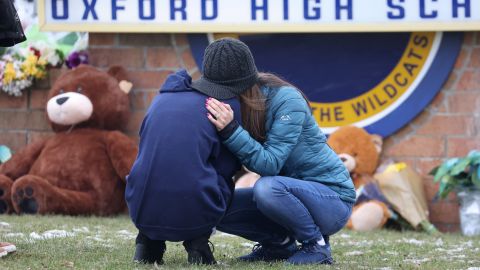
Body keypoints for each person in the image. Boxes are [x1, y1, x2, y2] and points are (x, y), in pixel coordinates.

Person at [200, 38, 356, 265]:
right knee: (216, 203)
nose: (221, 95)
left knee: (267, 187)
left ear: (241, 84)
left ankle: (316, 245)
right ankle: (278, 244)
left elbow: (270, 164)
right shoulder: (237, 106)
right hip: (285, 196)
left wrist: (231, 130)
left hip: (332, 199)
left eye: (225, 90)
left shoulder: (286, 99)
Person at [125, 68, 245, 265]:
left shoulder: (161, 99)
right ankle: (197, 243)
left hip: (139, 206)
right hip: (197, 210)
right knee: (222, 175)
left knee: (159, 166)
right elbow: (228, 165)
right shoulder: (226, 106)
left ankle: (146, 244)